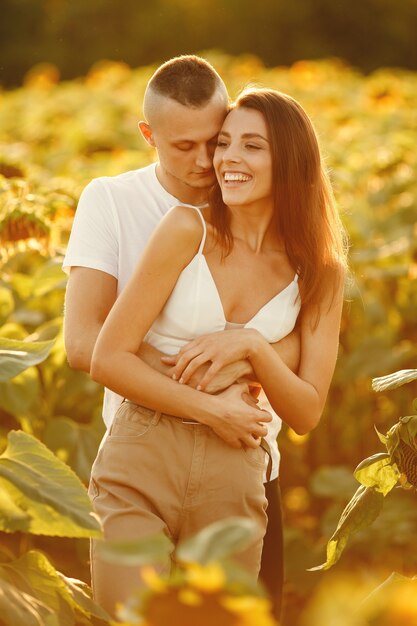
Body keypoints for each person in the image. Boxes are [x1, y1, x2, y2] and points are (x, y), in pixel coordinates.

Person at [88, 86, 347, 613]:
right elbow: (107, 356)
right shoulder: (187, 227)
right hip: (143, 453)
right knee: (127, 617)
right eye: (224, 142)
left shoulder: (320, 272)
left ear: (291, 162)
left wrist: (253, 346)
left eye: (252, 146)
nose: (226, 158)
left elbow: (306, 410)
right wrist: (212, 409)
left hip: (236, 472)